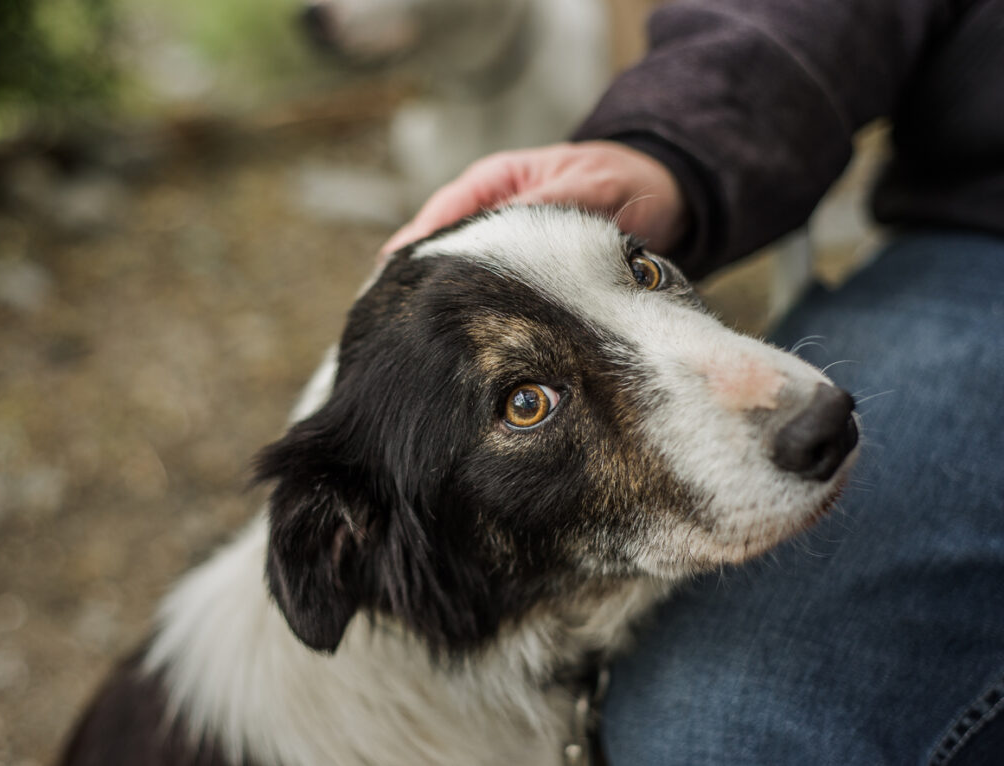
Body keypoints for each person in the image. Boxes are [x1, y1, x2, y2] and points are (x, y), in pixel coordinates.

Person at [382, 1, 1004, 763]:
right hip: (979, 235)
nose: (797, 400)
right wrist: (668, 148)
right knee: (721, 732)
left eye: (643, 272)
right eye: (527, 400)